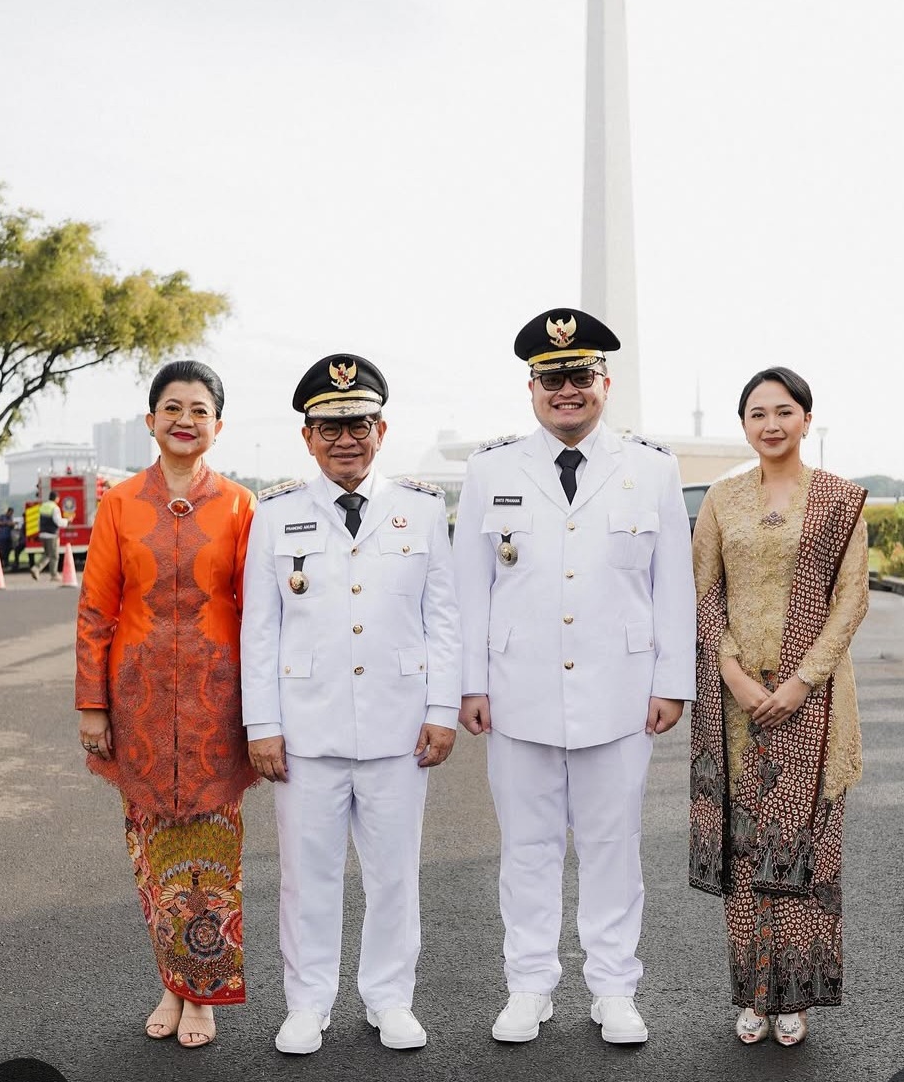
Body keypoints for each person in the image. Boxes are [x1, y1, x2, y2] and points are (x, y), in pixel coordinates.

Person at [451, 308, 696, 1045]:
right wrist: (471, 683)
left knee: (612, 845)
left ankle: (614, 987)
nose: (566, 390)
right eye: (552, 377)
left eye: (579, 376)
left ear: (605, 383)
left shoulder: (652, 468)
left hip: (620, 695)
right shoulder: (491, 469)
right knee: (527, 847)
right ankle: (529, 985)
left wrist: (671, 682)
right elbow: (470, 587)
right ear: (531, 386)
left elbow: (672, 586)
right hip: (517, 690)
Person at [240, 353, 461, 1056]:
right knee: (307, 879)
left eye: (358, 423)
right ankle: (307, 1002)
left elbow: (444, 617)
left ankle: (390, 997)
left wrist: (443, 708)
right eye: (329, 426)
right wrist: (263, 724)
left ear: (382, 429)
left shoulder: (422, 510)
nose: (345, 438)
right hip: (306, 728)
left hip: (400, 726)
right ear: (307, 436)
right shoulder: (275, 514)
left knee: (395, 874)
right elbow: (261, 626)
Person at [75, 359, 257, 1050]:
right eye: (172, 406)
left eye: (200, 409)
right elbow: (96, 607)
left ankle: (200, 992)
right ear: (151, 419)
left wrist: (261, 708)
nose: (186, 419)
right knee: (155, 855)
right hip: (140, 702)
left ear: (217, 424)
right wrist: (93, 702)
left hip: (217, 702)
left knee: (212, 852)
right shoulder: (120, 503)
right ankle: (171, 980)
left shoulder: (241, 505)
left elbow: (257, 611)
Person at [688, 366, 869, 1048]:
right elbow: (703, 591)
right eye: (758, 412)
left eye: (784, 410)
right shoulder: (722, 500)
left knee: (805, 852)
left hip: (814, 702)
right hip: (735, 703)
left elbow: (851, 599)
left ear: (806, 420)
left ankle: (794, 996)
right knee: (745, 852)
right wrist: (731, 670)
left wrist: (800, 681)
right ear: (743, 425)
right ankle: (752, 996)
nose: (771, 423)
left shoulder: (838, 501)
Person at [31, 491, 67, 581]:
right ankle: (54, 575)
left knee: (47, 554)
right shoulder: (55, 508)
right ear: (56, 498)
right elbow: (57, 521)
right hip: (52, 535)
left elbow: (39, 521)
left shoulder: (43, 506)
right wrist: (67, 521)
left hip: (43, 534)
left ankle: (36, 569)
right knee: (54, 555)